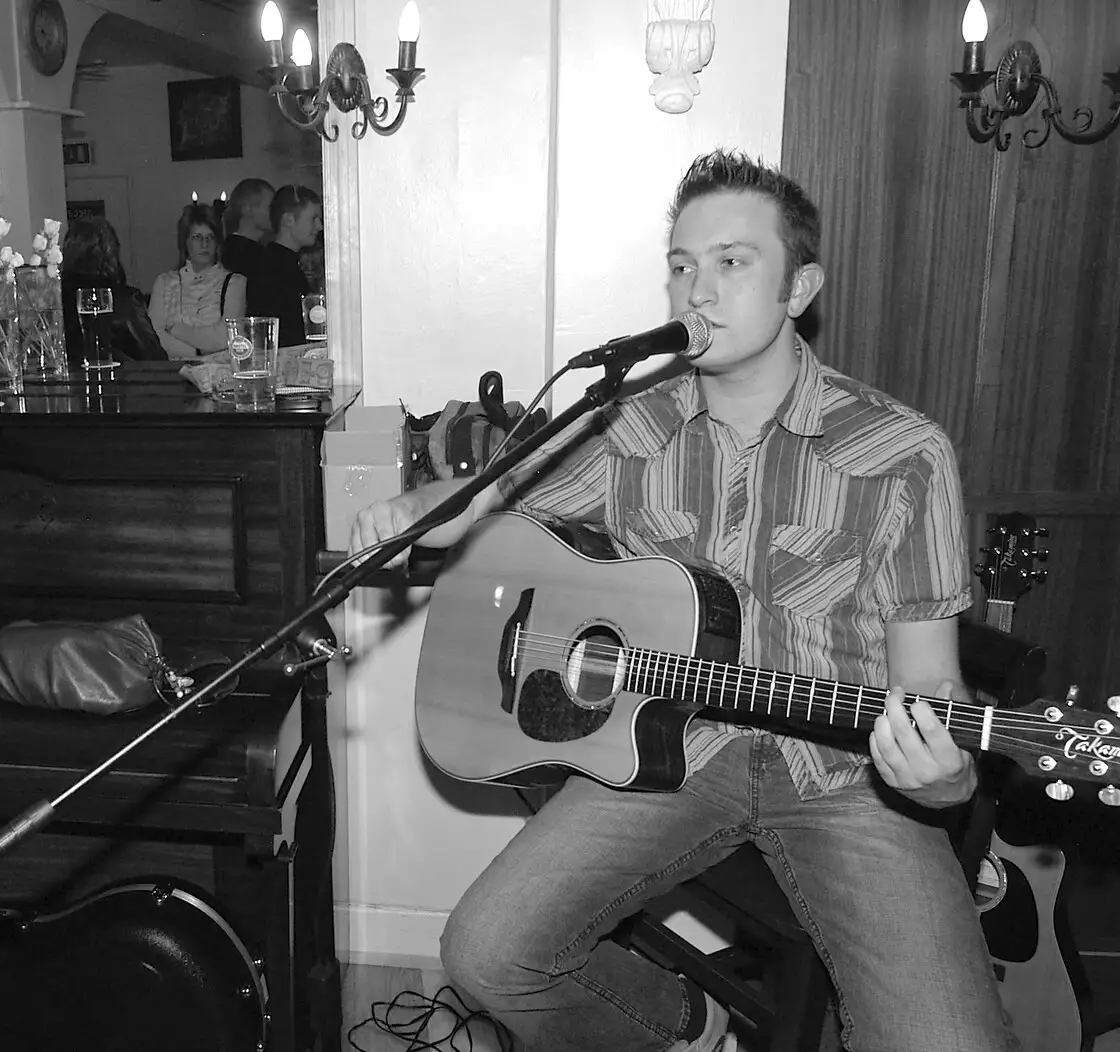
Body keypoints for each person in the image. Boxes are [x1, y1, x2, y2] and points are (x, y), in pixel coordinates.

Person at [349, 150, 1016, 1052]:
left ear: (799, 287)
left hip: (846, 781)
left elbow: (932, 688)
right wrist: (408, 512)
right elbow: (484, 510)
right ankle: (686, 1026)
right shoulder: (629, 420)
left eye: (733, 262)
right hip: (670, 748)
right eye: (681, 265)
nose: (697, 291)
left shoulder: (903, 451)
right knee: (486, 952)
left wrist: (952, 777)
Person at [148, 203, 248, 360]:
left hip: (218, 375)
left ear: (218, 244)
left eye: (210, 237)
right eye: (197, 237)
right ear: (185, 242)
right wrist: (197, 352)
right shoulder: (164, 282)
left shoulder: (235, 283)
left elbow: (226, 337)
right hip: (173, 374)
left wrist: (176, 330)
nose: (204, 244)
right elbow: (155, 337)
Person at [60, 217, 166, 363]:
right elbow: (155, 358)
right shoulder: (124, 299)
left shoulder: (54, 300)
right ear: (111, 252)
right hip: (119, 382)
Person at [246, 184, 321, 348]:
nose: (319, 226)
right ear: (289, 220)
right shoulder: (271, 267)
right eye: (313, 219)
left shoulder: (281, 262)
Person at [221, 177, 273, 277]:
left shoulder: (228, 247)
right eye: (270, 207)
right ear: (248, 209)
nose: (275, 213)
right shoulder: (242, 254)